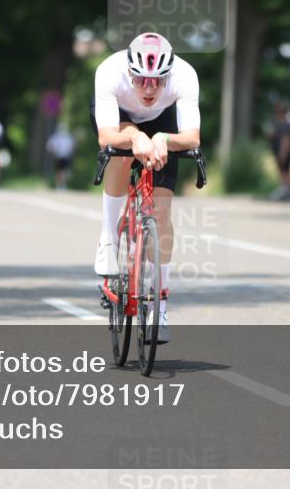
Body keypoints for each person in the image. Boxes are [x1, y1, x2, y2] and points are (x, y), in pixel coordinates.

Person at [91, 32, 200, 344]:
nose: (149, 88)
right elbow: (106, 137)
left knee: (162, 214)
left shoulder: (185, 75)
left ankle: (161, 308)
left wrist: (163, 139)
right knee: (122, 160)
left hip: (163, 125)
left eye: (158, 80)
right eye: (141, 80)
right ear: (129, 73)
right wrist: (135, 137)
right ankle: (109, 239)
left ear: (169, 74)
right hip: (120, 122)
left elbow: (191, 137)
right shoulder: (109, 72)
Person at [270, 102, 290, 201]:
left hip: (283, 153)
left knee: (284, 172)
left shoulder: (285, 125)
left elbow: (286, 140)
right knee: (284, 171)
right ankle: (286, 190)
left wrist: (283, 153)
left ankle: (286, 190)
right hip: (282, 152)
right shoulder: (280, 125)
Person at [46, 124, 75, 190]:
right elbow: (50, 146)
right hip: (58, 156)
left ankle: (61, 184)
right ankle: (60, 185)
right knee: (60, 171)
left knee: (63, 171)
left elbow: (71, 147)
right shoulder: (56, 137)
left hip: (65, 156)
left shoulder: (66, 137)